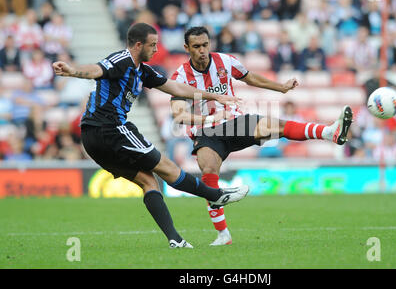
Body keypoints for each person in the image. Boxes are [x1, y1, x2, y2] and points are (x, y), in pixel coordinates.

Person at [52, 23, 249, 249]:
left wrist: (213, 95)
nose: (157, 49)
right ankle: (215, 195)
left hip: (93, 138)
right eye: (153, 45)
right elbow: (97, 69)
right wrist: (72, 71)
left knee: (148, 181)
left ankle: (175, 239)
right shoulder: (122, 60)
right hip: (109, 128)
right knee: (166, 167)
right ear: (138, 45)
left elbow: (176, 88)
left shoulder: (143, 70)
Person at [170, 26, 353, 246]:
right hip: (206, 131)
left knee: (274, 126)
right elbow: (179, 114)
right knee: (208, 168)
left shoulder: (225, 62)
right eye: (196, 46)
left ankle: (328, 132)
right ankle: (223, 235)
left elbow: (250, 78)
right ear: (186, 48)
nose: (202, 51)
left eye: (205, 45)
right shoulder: (180, 76)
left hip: (234, 122)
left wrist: (281, 88)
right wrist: (208, 119)